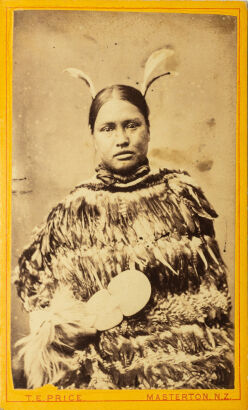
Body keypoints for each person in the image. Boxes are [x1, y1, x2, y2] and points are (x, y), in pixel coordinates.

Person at [13, 51, 234, 390]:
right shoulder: (71, 212)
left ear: (148, 129)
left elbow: (213, 297)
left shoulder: (182, 197)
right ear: (93, 136)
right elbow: (40, 299)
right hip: (104, 376)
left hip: (186, 370)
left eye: (132, 125)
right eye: (108, 128)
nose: (121, 138)